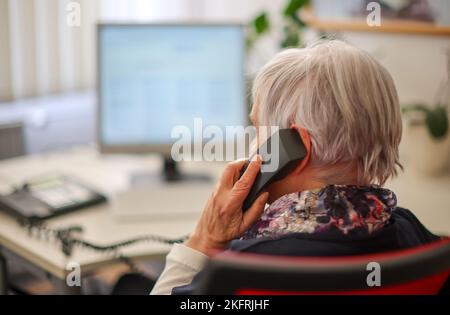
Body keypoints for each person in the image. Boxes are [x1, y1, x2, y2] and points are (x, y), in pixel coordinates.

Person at [150, 40, 440, 295]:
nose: (254, 147)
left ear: (293, 147)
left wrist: (204, 240)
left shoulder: (245, 268)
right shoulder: (415, 235)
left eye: (258, 130)